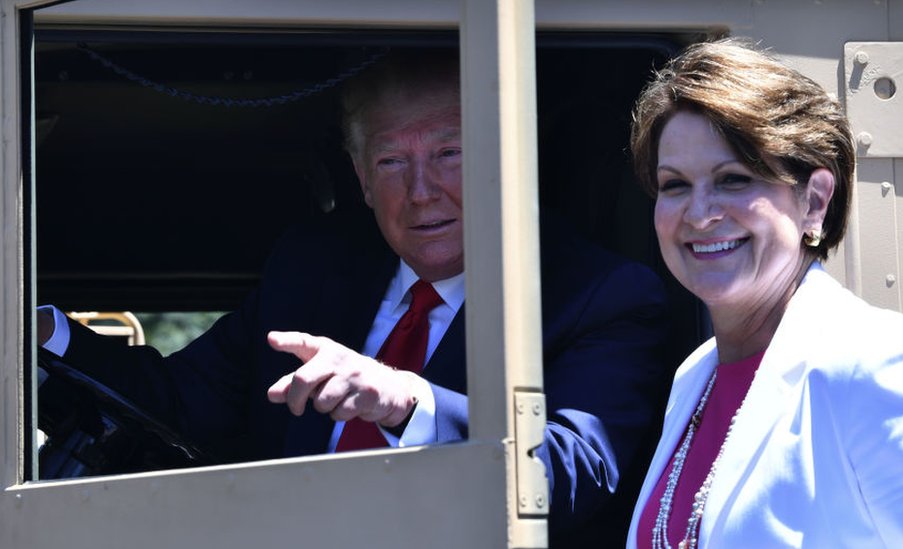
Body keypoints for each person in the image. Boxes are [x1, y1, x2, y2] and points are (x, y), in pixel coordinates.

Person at [38, 49, 674, 543]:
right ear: (362, 178)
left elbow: (571, 471)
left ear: (506, 157)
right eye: (392, 162)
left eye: (450, 152)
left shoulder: (601, 297)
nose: (421, 190)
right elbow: (178, 403)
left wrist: (406, 401)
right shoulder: (313, 269)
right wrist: (35, 333)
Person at [625, 38, 903, 548]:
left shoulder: (883, 364)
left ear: (814, 201)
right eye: (675, 184)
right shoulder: (694, 378)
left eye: (733, 179)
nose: (699, 214)